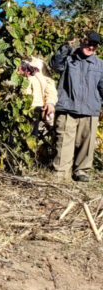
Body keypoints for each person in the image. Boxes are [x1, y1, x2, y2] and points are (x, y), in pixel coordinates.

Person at [50, 32, 103, 182]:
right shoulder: (68, 59)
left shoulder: (100, 65)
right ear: (81, 42)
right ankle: (61, 173)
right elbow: (55, 64)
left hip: (90, 110)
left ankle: (81, 172)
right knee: (64, 143)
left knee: (87, 144)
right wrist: (67, 46)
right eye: (88, 43)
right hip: (67, 108)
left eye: (94, 45)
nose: (91, 47)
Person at [20, 57, 57, 133]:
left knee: (32, 135)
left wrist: (50, 102)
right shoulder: (12, 62)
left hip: (37, 108)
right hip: (21, 107)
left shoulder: (38, 63)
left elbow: (49, 83)